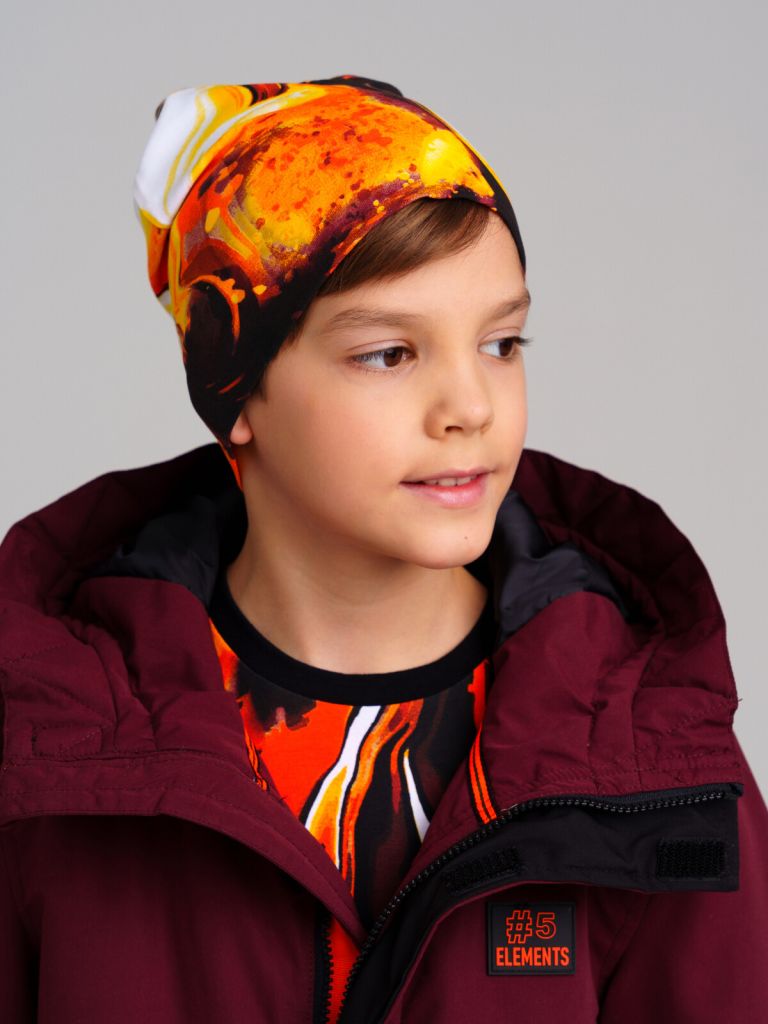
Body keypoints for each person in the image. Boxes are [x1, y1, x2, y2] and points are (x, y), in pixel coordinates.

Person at [1, 74, 766, 1024]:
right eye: (388, 354)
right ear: (232, 387)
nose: (471, 407)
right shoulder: (48, 749)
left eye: (502, 343)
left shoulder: (650, 756)